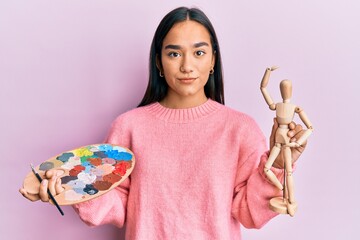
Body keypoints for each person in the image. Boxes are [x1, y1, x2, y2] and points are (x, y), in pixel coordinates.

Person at [20, 6, 308, 240]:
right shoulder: (129, 127)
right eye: (173, 53)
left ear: (212, 61)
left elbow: (249, 212)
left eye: (198, 52)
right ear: (158, 61)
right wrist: (73, 191)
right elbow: (118, 205)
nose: (186, 65)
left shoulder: (240, 129)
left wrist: (281, 164)